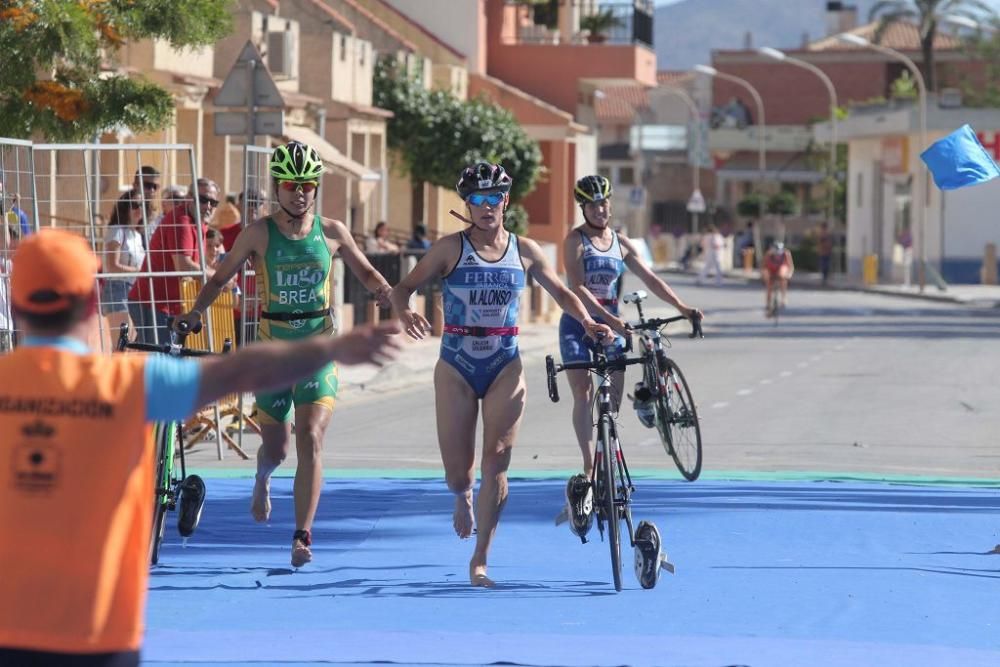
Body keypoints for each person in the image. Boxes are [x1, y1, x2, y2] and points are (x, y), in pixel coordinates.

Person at [0, 229, 401, 667]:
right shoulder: (127, 384)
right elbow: (238, 372)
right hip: (100, 632)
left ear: (17, 306)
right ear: (93, 303)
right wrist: (333, 348)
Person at [388, 162, 614, 588]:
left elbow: (562, 291)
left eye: (494, 197)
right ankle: (462, 497)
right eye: (477, 199)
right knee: (461, 473)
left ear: (505, 202)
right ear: (467, 206)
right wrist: (405, 311)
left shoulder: (525, 250)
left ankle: (480, 559)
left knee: (498, 462)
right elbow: (403, 288)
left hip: (504, 363)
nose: (486, 206)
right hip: (456, 364)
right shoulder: (448, 249)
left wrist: (587, 322)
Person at [174, 141, 394, 568]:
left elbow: (366, 271)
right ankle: (262, 478)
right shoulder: (258, 232)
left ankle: (301, 535)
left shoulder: (331, 231)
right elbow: (221, 278)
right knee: (276, 451)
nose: (300, 193)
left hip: (318, 347)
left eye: (308, 185)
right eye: (291, 184)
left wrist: (387, 293)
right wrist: (195, 313)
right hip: (272, 352)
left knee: (311, 436)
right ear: (278, 186)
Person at [561, 175, 701, 530]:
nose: (601, 208)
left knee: (610, 402)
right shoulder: (574, 241)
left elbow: (651, 279)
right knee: (583, 391)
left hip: (613, 324)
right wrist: (608, 319)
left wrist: (684, 308)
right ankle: (589, 467)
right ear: (583, 208)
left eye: (604, 202)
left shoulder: (620, 243)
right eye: (593, 204)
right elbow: (576, 286)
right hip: (579, 321)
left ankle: (606, 445)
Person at [129, 178, 220, 345]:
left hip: (164, 304)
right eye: (203, 199)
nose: (208, 206)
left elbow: (196, 265)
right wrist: (219, 278)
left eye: (213, 202)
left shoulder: (197, 222)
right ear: (189, 198)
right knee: (161, 359)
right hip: (153, 302)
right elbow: (184, 266)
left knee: (151, 355)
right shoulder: (182, 220)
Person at [100, 191, 147, 346]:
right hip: (117, 289)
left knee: (131, 343)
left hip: (135, 291)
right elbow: (112, 266)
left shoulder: (138, 235)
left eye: (142, 204)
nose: (140, 208)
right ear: (124, 208)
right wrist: (141, 272)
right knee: (120, 344)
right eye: (135, 205)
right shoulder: (117, 230)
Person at [762, 240, 794, 316]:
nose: (777, 255)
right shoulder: (768, 254)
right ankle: (768, 303)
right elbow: (763, 267)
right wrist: (764, 275)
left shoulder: (786, 253)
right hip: (771, 269)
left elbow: (791, 267)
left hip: (781, 269)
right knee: (769, 285)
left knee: (783, 275)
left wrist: (789, 275)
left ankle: (783, 298)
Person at [817, 221, 833, 286]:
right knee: (824, 266)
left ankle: (825, 278)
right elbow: (821, 242)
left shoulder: (826, 234)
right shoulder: (823, 234)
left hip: (826, 252)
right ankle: (824, 278)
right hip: (823, 252)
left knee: (826, 265)